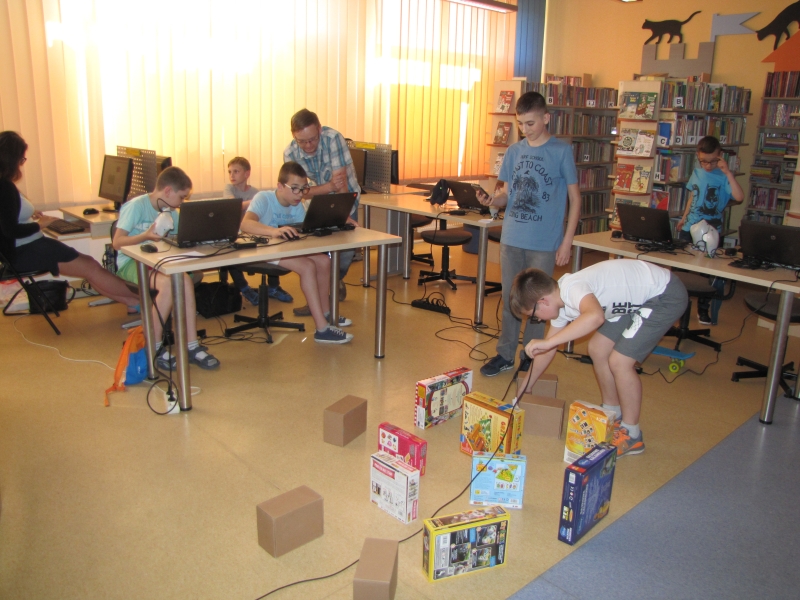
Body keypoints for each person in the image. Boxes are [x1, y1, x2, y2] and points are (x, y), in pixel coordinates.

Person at [510, 259, 688, 457]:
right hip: (635, 298)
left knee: (620, 362)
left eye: (534, 315)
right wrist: (526, 387)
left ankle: (632, 434)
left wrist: (549, 342)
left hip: (664, 296)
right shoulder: (559, 305)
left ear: (543, 301)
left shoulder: (572, 288)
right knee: (597, 349)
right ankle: (613, 412)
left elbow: (595, 317)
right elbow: (548, 350)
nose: (538, 319)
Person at [477, 91, 581, 377]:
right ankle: (505, 354)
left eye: (531, 123)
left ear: (546, 118)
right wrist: (493, 200)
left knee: (538, 303)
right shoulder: (514, 151)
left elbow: (575, 199)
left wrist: (567, 241)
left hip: (543, 242)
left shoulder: (560, 151)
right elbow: (506, 195)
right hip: (512, 238)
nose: (525, 129)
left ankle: (530, 355)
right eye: (521, 123)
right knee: (511, 299)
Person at [0, 131, 140, 314]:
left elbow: (8, 215)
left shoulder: (3, 183)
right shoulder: (4, 187)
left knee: (89, 267)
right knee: (91, 267)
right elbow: (10, 230)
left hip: (23, 249)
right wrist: (41, 224)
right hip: (25, 251)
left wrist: (29, 212)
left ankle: (133, 303)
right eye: (22, 158)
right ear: (12, 159)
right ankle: (145, 300)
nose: (22, 163)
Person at [113, 166, 220, 370]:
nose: (182, 202)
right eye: (181, 197)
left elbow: (179, 237)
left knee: (184, 280)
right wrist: (145, 236)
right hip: (132, 262)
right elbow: (117, 242)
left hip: (159, 260)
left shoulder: (171, 212)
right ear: (168, 191)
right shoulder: (136, 206)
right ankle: (154, 347)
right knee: (170, 285)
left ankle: (191, 345)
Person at [240, 161, 354, 344]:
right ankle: (322, 329)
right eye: (294, 188)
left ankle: (326, 313)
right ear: (280, 186)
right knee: (307, 266)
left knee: (324, 261)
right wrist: (274, 231)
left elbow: (303, 233)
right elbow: (245, 224)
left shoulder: (297, 205)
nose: (300, 194)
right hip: (263, 250)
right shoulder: (263, 198)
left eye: (303, 189)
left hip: (286, 248)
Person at [283, 108, 359, 314]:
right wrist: (327, 187)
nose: (308, 146)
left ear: (319, 129)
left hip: (345, 198)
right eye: (302, 141)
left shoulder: (333, 139)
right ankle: (318, 300)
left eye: (312, 139)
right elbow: (299, 191)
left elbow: (340, 183)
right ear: (294, 136)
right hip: (315, 205)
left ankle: (334, 280)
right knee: (318, 253)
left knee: (346, 252)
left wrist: (345, 215)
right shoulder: (290, 153)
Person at [676, 135, 744, 325]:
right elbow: (693, 197)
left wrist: (728, 173)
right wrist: (683, 217)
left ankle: (703, 309)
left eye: (712, 161)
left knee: (707, 273)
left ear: (720, 155)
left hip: (710, 233)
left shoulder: (724, 176)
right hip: (689, 228)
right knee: (680, 270)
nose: (707, 165)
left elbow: (739, 197)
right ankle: (677, 306)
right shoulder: (697, 172)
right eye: (703, 161)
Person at [222, 156, 293, 305]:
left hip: (252, 233)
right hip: (234, 234)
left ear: (247, 174)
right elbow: (234, 205)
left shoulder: (255, 191)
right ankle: (244, 288)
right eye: (229, 172)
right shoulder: (229, 188)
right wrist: (255, 201)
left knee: (274, 245)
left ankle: (274, 287)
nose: (231, 175)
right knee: (230, 254)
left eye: (236, 171)